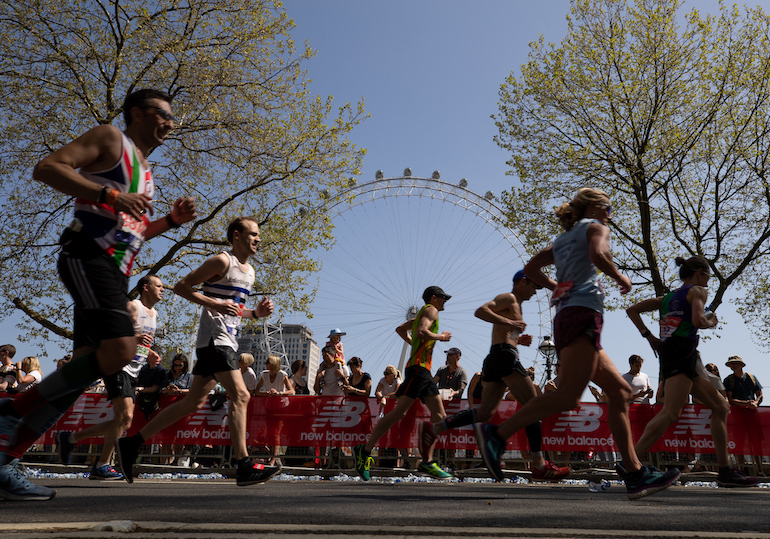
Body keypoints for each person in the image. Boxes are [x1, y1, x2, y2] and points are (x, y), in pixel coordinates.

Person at [0, 88, 197, 501]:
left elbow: (134, 231)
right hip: (88, 256)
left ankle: (5, 458)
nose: (170, 123)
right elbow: (47, 168)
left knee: (83, 372)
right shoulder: (112, 139)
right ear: (139, 114)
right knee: (123, 350)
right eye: (164, 115)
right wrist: (109, 193)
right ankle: (9, 412)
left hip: (111, 268)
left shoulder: (145, 171)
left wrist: (169, 222)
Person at [475, 188, 680, 500]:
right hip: (582, 315)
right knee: (569, 396)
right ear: (596, 207)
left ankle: (635, 473)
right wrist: (620, 276)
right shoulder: (597, 228)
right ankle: (497, 434)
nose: (610, 212)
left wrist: (558, 286)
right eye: (608, 206)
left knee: (620, 392)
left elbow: (531, 269)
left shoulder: (561, 240)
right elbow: (598, 255)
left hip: (570, 315)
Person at [115, 216, 280, 486]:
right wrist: (213, 303)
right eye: (252, 234)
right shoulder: (221, 261)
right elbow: (181, 287)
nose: (258, 239)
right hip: (215, 341)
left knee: (192, 402)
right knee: (240, 395)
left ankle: (132, 443)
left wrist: (255, 313)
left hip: (225, 340)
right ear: (237, 235)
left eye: (258, 235)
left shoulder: (249, 272)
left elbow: (234, 309)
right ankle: (243, 465)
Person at [626, 255, 757, 488]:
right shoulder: (697, 291)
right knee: (670, 413)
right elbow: (698, 320)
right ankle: (631, 465)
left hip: (677, 354)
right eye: (707, 275)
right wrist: (711, 321)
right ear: (698, 273)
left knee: (720, 406)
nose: (708, 281)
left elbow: (632, 310)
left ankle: (725, 470)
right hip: (682, 353)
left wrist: (650, 338)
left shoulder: (666, 298)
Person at [427, 271, 570, 481]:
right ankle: (539, 464)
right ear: (522, 282)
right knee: (534, 407)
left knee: (484, 412)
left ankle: (434, 429)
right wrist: (512, 325)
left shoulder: (517, 306)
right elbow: (481, 311)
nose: (533, 293)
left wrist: (518, 339)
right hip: (504, 357)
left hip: (496, 356)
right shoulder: (509, 298)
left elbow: (502, 332)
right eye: (532, 287)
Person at [56, 274, 164, 479]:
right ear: (145, 288)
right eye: (158, 285)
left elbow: (142, 342)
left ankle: (70, 438)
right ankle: (102, 465)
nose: (163, 289)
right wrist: (134, 338)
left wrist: (149, 352)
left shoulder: (154, 313)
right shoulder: (133, 307)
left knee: (125, 422)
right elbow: (109, 333)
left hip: (134, 370)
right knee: (125, 417)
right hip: (117, 365)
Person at [353, 286, 454, 481]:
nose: (445, 302)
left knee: (439, 415)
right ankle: (364, 451)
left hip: (421, 369)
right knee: (400, 412)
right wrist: (441, 337)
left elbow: (401, 329)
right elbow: (422, 332)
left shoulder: (419, 316)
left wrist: (414, 345)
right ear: (433, 298)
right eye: (443, 298)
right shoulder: (430, 310)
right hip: (418, 369)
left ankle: (427, 460)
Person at [254, 354, 294, 465]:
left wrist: (279, 393)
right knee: (269, 432)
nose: (265, 364)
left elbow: (291, 391)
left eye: (268, 362)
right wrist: (265, 394)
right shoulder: (264, 374)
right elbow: (256, 391)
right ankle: (272, 456)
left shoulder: (282, 375)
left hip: (281, 407)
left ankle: (273, 458)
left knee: (276, 432)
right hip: (269, 406)